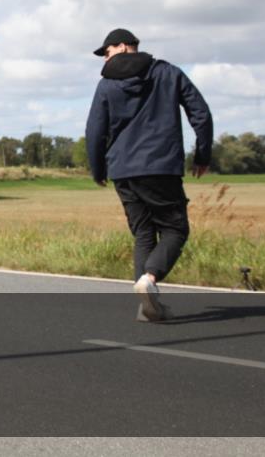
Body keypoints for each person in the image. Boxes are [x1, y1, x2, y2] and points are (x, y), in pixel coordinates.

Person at [85, 29, 213, 321]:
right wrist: (203, 155)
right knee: (175, 229)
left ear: (124, 46)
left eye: (106, 51)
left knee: (143, 233)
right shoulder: (168, 73)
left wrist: (98, 169)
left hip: (123, 170)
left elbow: (94, 130)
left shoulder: (106, 85)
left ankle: (147, 304)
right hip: (161, 166)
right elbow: (201, 114)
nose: (105, 57)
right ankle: (149, 281)